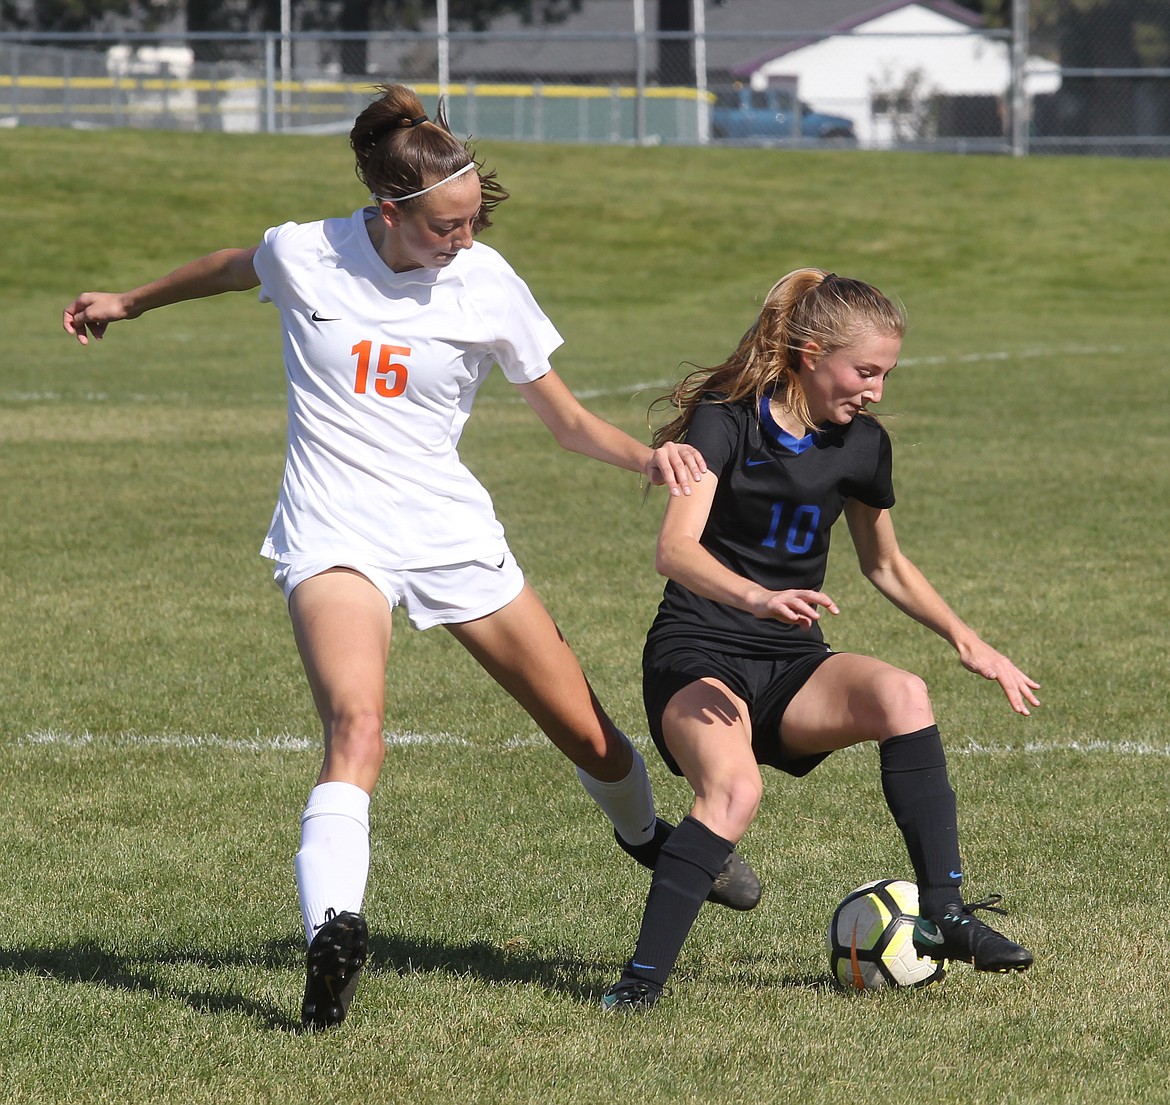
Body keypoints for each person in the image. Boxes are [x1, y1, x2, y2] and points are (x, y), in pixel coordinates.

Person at [62, 83, 760, 1032]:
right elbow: (234, 266)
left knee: (589, 734)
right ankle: (334, 936)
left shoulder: (487, 281)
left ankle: (643, 833)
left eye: (473, 220)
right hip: (333, 530)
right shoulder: (307, 251)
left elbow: (561, 419)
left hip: (449, 532)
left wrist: (646, 455)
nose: (462, 240)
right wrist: (128, 301)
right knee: (357, 728)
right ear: (388, 212)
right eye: (444, 227)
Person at [601, 268, 1040, 1012]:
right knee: (734, 792)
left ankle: (952, 914)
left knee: (903, 693)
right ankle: (638, 983)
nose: (876, 390)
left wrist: (970, 639)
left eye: (886, 373)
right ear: (810, 352)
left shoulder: (863, 445)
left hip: (792, 662)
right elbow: (675, 548)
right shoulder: (726, 419)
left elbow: (886, 563)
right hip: (699, 651)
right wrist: (758, 597)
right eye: (865, 371)